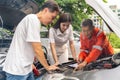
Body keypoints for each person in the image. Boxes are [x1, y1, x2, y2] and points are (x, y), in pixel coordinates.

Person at [3, 0, 60, 80]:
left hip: (26, 68)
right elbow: (37, 48)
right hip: (17, 71)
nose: (52, 21)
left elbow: (28, 46)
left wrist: (30, 63)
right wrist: (47, 67)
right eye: (52, 17)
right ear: (46, 10)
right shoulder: (32, 20)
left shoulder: (33, 20)